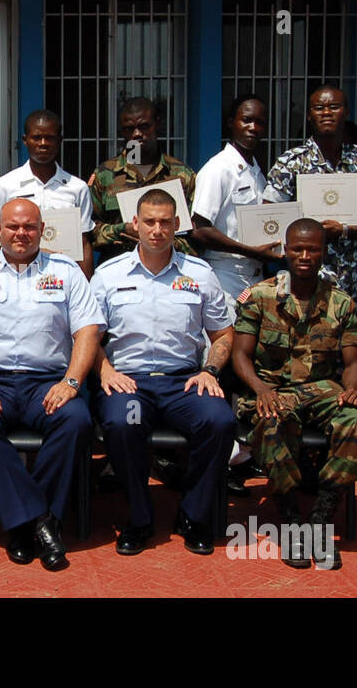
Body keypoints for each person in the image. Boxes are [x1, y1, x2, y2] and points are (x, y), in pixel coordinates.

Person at [0, 199, 105, 571]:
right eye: (13, 227)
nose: (21, 234)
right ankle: (41, 523)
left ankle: (22, 525)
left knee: (76, 421)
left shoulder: (66, 270)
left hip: (47, 382)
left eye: (29, 227)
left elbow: (87, 331)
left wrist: (72, 382)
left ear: (42, 229)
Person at [92, 189, 235, 556]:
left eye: (165, 222)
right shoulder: (109, 274)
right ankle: (140, 519)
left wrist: (211, 371)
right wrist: (105, 370)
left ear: (177, 225)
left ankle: (194, 515)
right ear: (135, 225)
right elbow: (87, 335)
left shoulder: (200, 274)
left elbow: (222, 334)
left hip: (184, 382)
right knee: (125, 423)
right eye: (149, 222)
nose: (157, 230)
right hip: (130, 384)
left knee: (218, 421)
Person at [231, 218, 357, 569]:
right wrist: (260, 389)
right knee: (271, 423)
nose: (305, 255)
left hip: (322, 391)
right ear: (285, 250)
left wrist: (353, 390)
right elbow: (240, 355)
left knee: (356, 420)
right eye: (297, 249)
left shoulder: (342, 303)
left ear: (324, 253)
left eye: (313, 249)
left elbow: (352, 361)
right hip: (272, 390)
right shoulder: (260, 297)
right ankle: (292, 519)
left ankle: (321, 518)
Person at [190, 94, 278, 495]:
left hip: (255, 279)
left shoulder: (257, 170)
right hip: (226, 277)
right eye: (246, 121)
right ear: (231, 123)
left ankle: (241, 454)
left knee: (249, 365)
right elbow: (198, 229)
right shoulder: (219, 169)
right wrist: (251, 251)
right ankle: (217, 460)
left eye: (260, 122)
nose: (254, 128)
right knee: (222, 365)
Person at [263, 84, 357, 325]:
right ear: (309, 115)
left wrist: (347, 230)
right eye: (319, 108)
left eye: (334, 107)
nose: (326, 112)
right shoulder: (290, 162)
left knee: (348, 344)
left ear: (346, 112)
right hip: (303, 277)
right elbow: (268, 216)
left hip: (353, 274)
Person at [0, 109, 95, 277]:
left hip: (62, 277)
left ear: (60, 141)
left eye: (50, 137)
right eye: (36, 137)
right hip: (15, 275)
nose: (43, 143)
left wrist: (87, 286)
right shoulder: (4, 185)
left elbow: (84, 242)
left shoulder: (77, 188)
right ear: (25, 140)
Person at [89, 97, 198, 263]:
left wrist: (160, 239)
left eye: (144, 126)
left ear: (157, 124)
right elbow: (89, 231)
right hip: (119, 270)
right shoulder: (106, 174)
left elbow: (197, 237)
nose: (137, 134)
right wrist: (121, 230)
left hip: (171, 272)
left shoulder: (181, 174)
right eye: (129, 129)